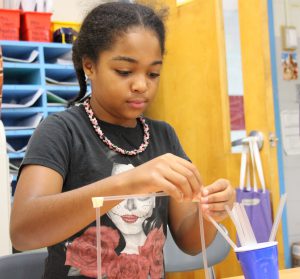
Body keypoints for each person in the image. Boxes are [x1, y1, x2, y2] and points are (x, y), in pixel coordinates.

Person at [10, 2, 235, 279]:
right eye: (125, 72)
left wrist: (209, 211)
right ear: (89, 66)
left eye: (153, 73)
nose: (142, 84)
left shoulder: (163, 136)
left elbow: (190, 243)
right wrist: (128, 183)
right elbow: (23, 231)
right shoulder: (61, 131)